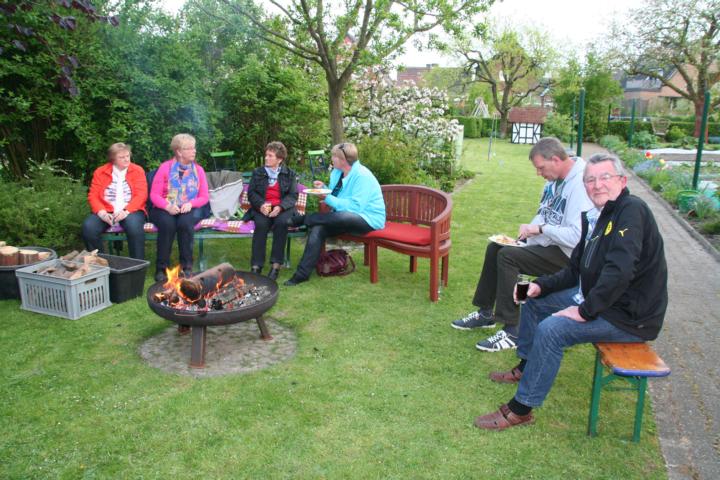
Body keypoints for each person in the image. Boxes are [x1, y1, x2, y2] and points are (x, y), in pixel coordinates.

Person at [474, 152, 668, 431]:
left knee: (553, 330)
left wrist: (584, 311)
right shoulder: (596, 216)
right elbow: (574, 269)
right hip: (601, 301)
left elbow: (619, 271)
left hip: (629, 317)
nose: (597, 185)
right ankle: (527, 366)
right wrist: (541, 286)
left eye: (605, 177)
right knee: (534, 302)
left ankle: (521, 409)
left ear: (622, 181)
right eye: (590, 180)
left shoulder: (631, 211)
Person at [452, 137, 594, 352]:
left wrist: (540, 230)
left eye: (541, 168)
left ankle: (513, 329)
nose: (539, 173)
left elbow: (577, 236)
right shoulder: (553, 180)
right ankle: (485, 313)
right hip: (549, 244)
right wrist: (527, 233)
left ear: (556, 160)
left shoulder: (580, 185)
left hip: (569, 256)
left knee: (508, 257)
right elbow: (544, 213)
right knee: (496, 248)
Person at [283, 142, 385, 286]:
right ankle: (302, 274)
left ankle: (304, 219)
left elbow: (355, 207)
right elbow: (334, 196)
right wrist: (323, 189)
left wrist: (328, 198)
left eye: (334, 156)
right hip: (341, 217)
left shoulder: (362, 176)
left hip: (367, 219)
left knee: (344, 215)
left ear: (343, 159)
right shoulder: (337, 173)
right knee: (318, 229)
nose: (331, 159)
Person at [149, 133, 209, 282]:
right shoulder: (165, 168)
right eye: (190, 148)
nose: (194, 151)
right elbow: (154, 195)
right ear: (179, 152)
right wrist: (167, 206)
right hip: (165, 206)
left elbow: (204, 197)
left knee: (185, 223)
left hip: (191, 206)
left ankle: (186, 267)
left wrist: (190, 204)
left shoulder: (198, 170)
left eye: (194, 148)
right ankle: (161, 268)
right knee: (167, 224)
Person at [82, 143, 147, 259]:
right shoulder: (100, 171)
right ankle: (101, 263)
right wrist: (101, 212)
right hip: (106, 210)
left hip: (131, 210)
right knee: (89, 227)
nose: (126, 159)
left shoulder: (137, 170)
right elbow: (93, 195)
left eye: (127, 156)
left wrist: (126, 211)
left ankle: (138, 265)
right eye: (122, 157)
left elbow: (141, 195)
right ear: (113, 159)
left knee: (134, 227)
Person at [244, 141, 298, 280]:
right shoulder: (258, 172)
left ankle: (276, 265)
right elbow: (251, 193)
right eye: (266, 155)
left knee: (281, 223)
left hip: (282, 208)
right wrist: (261, 205)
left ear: (279, 159)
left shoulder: (289, 174)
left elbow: (292, 195)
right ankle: (256, 266)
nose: (266, 158)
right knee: (261, 224)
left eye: (270, 156)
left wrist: (280, 207)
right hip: (262, 208)